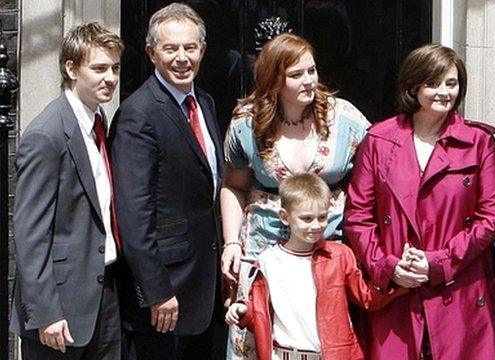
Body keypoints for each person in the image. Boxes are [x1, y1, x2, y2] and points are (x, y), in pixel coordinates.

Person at [344, 43, 495, 359]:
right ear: (414, 86)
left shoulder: (479, 142)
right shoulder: (379, 140)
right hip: (395, 293)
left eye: (452, 83)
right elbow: (358, 215)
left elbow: (492, 216)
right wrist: (388, 267)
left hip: (458, 291)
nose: (444, 92)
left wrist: (440, 262)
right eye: (434, 83)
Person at [220, 33, 370, 359]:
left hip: (328, 247)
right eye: (296, 74)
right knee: (256, 334)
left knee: (324, 335)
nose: (308, 81)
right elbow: (234, 186)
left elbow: (374, 177)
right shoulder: (248, 124)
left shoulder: (344, 118)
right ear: (274, 79)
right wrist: (231, 242)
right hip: (264, 246)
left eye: (311, 71)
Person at [109, 3, 223, 359]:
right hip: (165, 297)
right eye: (170, 49)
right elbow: (133, 214)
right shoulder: (137, 114)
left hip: (206, 288)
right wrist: (156, 290)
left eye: (190, 48)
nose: (181, 58)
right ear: (151, 53)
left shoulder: (203, 102)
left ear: (202, 50)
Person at [10, 23, 123, 359]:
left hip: (104, 295)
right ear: (71, 68)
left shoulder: (97, 120)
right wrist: (46, 312)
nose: (111, 78)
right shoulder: (47, 135)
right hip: (60, 308)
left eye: (115, 68)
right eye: (99, 68)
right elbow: (30, 233)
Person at [225, 173, 406, 360]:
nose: (316, 225)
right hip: (283, 355)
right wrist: (242, 311)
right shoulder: (267, 261)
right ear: (285, 217)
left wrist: (398, 278)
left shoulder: (339, 256)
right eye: (307, 218)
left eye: (322, 217)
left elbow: (366, 297)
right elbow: (260, 314)